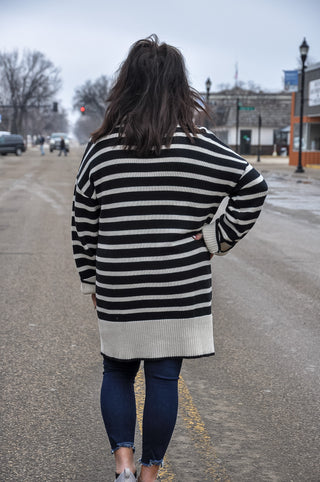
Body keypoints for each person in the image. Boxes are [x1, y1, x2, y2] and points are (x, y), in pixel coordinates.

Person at [71, 35, 268, 482]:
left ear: (128, 85)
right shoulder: (202, 146)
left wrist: (92, 280)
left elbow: (83, 219)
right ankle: (149, 474)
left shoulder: (102, 149)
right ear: (180, 87)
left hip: (120, 282)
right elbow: (253, 185)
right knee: (163, 379)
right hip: (180, 285)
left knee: (117, 372)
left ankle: (122, 462)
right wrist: (215, 238)